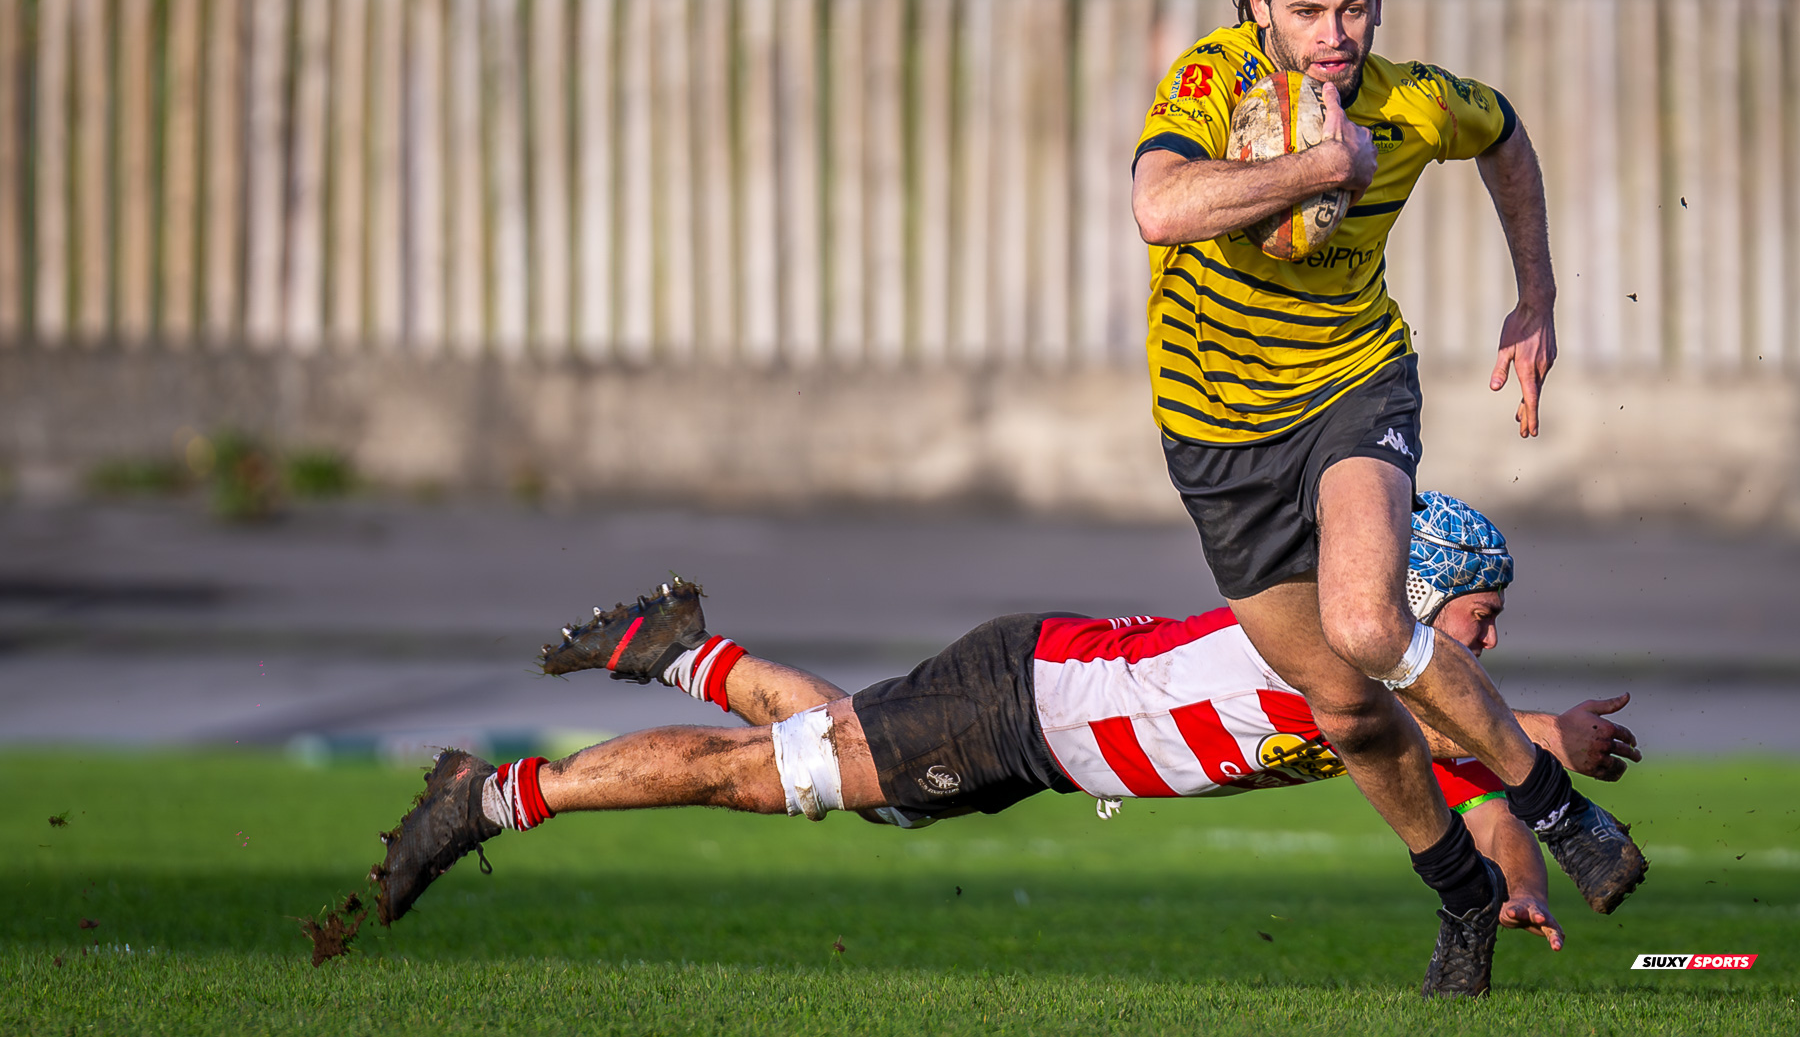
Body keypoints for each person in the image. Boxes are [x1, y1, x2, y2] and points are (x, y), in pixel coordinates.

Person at [371, 493, 1642, 998]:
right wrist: (1554, 740)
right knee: (757, 780)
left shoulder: (1404, 676)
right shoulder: (1334, 633)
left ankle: (681, 648)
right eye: (1482, 608)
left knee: (859, 790)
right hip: (1018, 700)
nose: (1494, 629)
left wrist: (1521, 887)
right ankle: (491, 796)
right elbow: (1474, 740)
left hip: (1040, 730)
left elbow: (1475, 792)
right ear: (1419, 590)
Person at [1125, 0, 1644, 984]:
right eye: (1307, 10)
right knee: (1350, 710)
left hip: (1357, 384)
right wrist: (1323, 170)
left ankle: (1558, 810)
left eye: (1355, 9)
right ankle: (1462, 897)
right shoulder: (1211, 81)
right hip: (1216, 430)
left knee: (1368, 622)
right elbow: (1161, 208)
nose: (1334, 36)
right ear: (1258, 3)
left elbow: (1504, 134)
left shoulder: (1414, 100)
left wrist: (1535, 296)